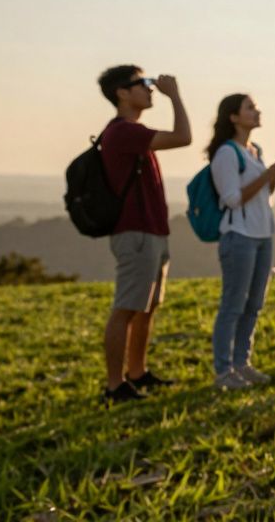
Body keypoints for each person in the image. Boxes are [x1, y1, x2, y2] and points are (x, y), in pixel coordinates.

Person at [95, 65, 191, 404]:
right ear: (122, 93)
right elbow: (183, 137)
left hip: (150, 231)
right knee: (126, 307)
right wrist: (175, 96)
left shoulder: (132, 132)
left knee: (146, 308)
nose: (150, 89)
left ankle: (137, 373)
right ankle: (114, 384)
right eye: (143, 84)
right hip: (135, 233)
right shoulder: (122, 132)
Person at [207, 94, 275, 390]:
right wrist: (268, 174)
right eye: (250, 108)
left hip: (262, 233)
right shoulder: (227, 154)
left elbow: (263, 194)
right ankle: (224, 370)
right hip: (239, 235)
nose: (256, 112)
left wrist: (274, 176)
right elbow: (231, 199)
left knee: (254, 304)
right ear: (233, 117)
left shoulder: (254, 150)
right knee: (233, 304)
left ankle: (242, 363)